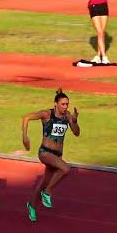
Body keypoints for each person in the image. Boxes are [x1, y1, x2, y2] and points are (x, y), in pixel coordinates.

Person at [22, 88, 80, 222]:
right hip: (45, 152)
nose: (65, 107)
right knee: (65, 169)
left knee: (45, 182)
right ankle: (47, 192)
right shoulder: (47, 114)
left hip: (57, 154)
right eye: (63, 104)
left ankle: (32, 205)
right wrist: (25, 136)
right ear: (56, 104)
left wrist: (75, 121)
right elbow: (26, 118)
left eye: (67, 104)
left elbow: (76, 133)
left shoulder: (68, 116)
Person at [88, 0, 110, 64]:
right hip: (93, 6)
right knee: (100, 32)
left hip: (104, 5)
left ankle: (98, 56)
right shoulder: (91, 39)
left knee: (102, 33)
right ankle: (104, 57)